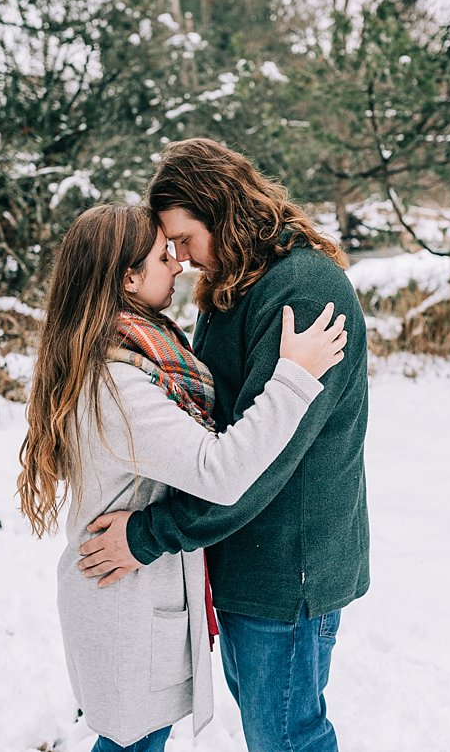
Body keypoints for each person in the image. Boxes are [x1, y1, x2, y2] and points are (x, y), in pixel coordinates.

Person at [17, 203, 348, 750]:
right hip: (124, 603)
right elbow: (219, 472)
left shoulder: (137, 350)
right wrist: (292, 377)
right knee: (134, 744)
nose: (177, 265)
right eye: (161, 255)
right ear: (127, 277)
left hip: (131, 599)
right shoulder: (117, 385)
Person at [79, 139, 370, 752]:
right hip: (242, 557)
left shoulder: (303, 292)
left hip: (287, 568)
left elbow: (260, 463)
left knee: (287, 736)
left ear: (222, 210)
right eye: (169, 248)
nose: (180, 259)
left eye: (183, 239)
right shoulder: (236, 285)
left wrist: (150, 534)